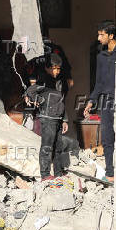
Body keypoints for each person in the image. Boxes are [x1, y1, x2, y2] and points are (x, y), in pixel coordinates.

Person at [24, 53, 69, 181]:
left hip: (59, 119)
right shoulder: (43, 80)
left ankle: (58, 172)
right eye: (54, 68)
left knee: (58, 147)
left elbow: (62, 101)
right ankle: (45, 174)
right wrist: (37, 100)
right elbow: (30, 91)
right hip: (47, 118)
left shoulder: (60, 82)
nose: (57, 71)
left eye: (59, 68)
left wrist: (65, 119)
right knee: (47, 147)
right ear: (47, 68)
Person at [83, 20, 116, 183]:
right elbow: (99, 83)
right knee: (107, 137)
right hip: (105, 101)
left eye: (101, 34)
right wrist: (91, 101)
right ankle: (111, 173)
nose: (98, 38)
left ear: (111, 36)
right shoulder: (101, 56)